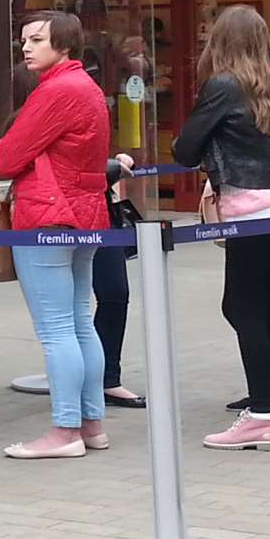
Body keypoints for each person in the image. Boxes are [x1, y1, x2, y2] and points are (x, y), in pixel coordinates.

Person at [175, 5, 270, 452]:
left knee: (243, 306)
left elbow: (184, 149)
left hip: (251, 208)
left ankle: (262, 413)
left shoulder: (222, 85)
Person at [0, 11, 112, 460]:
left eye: (37, 40)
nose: (26, 47)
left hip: (47, 215)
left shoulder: (56, 90)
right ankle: (90, 422)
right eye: (24, 39)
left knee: (58, 328)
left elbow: (7, 157)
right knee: (80, 321)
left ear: (63, 44)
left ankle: (65, 430)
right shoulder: (88, 87)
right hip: (86, 213)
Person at [95, 154, 146, 409]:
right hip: (56, 220)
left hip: (102, 215)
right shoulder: (41, 120)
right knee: (67, 309)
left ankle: (107, 379)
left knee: (115, 295)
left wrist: (114, 162)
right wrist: (111, 167)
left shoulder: (94, 118)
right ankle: (79, 384)